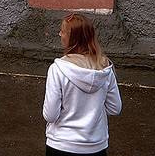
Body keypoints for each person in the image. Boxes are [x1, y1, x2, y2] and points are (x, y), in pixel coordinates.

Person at [42, 13, 122, 156]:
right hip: (96, 146)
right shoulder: (105, 69)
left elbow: (51, 115)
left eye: (63, 31)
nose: (60, 34)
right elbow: (115, 108)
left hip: (61, 144)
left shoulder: (57, 69)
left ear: (72, 38)